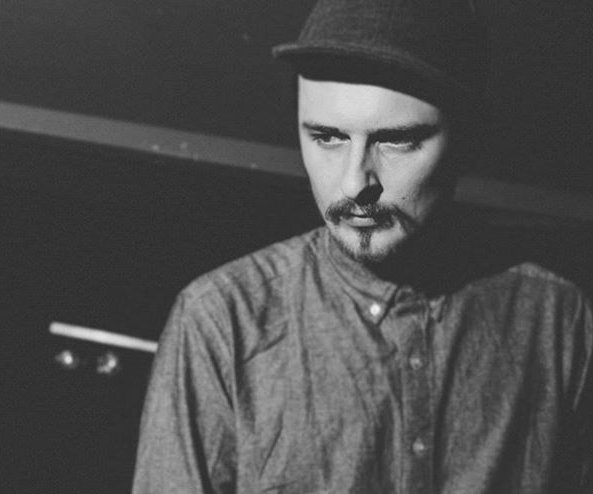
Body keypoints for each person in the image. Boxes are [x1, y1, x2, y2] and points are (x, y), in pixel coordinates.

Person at [132, 0, 593, 492]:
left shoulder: (557, 322)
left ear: (469, 140)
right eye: (327, 138)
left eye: (395, 141)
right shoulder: (222, 322)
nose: (355, 184)